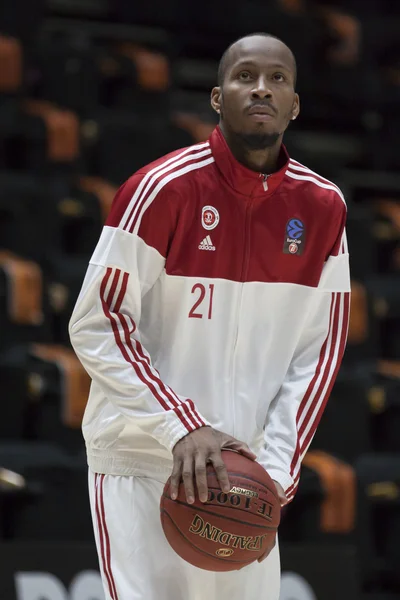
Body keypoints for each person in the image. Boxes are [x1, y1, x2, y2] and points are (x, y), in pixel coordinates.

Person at [69, 32, 350, 600]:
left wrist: (273, 471)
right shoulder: (159, 189)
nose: (261, 90)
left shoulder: (324, 208)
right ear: (218, 98)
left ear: (295, 105)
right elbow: (100, 323)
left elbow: (319, 351)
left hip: (243, 480)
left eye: (277, 79)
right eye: (245, 77)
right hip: (142, 461)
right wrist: (184, 427)